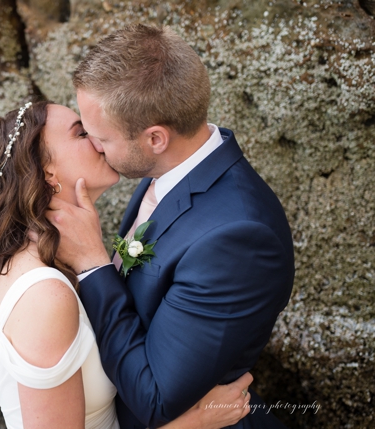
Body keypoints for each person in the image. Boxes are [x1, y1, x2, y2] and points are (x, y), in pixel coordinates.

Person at [46, 24, 294, 428]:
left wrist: (94, 266)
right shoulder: (163, 170)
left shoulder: (239, 238)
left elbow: (156, 398)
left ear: (155, 138)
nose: (93, 147)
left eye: (101, 138)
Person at [0, 101, 253, 429]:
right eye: (81, 132)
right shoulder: (44, 295)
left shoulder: (54, 262)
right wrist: (195, 423)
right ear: (47, 171)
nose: (97, 138)